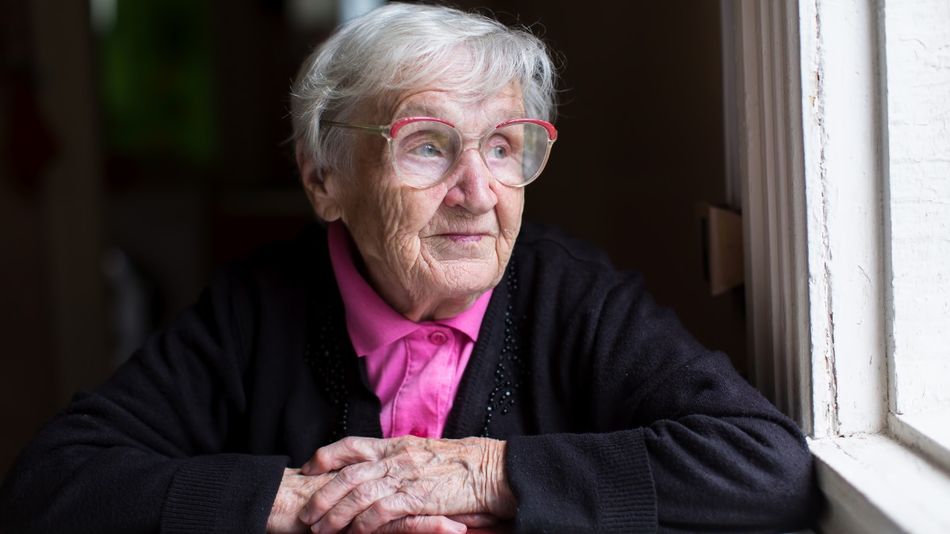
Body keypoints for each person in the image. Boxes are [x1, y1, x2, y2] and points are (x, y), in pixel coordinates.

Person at [0, 3, 819, 532]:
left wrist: (483, 472)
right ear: (325, 179)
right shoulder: (257, 308)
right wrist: (300, 501)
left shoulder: (571, 292)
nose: (477, 192)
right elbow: (53, 488)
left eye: (504, 147)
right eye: (426, 146)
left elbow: (764, 467)